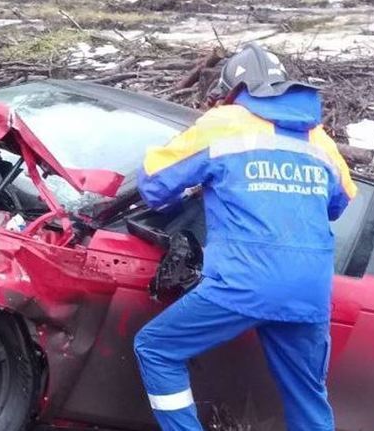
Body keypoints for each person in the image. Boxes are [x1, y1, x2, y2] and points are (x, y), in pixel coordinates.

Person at [133, 43, 357, 431]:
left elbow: (155, 184)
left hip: (244, 281)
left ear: (232, 90)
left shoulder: (224, 122)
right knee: (307, 397)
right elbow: (339, 203)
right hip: (309, 289)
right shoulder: (318, 138)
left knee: (156, 349)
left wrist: (196, 187)